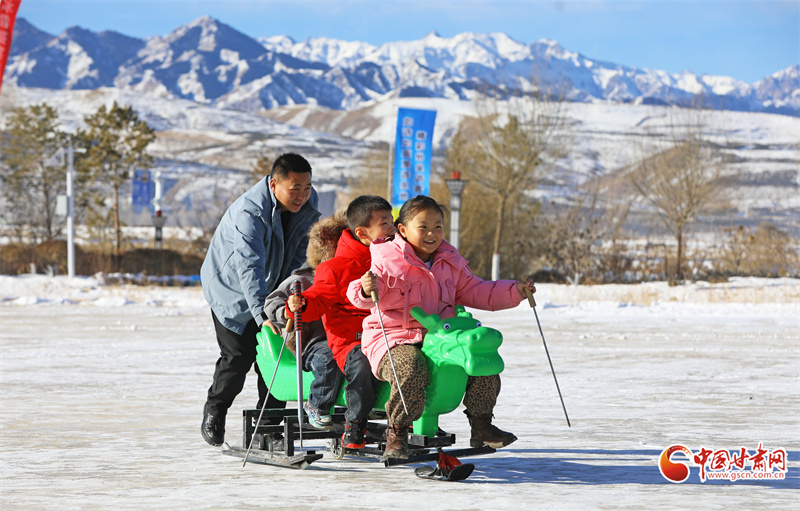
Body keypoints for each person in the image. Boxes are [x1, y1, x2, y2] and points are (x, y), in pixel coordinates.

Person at [347, 195, 536, 459]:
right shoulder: (386, 258)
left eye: (438, 227)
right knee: (409, 367)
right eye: (422, 226)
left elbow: (478, 290)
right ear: (402, 230)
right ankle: (397, 432)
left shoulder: (449, 260)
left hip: (441, 334)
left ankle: (481, 424)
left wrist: (515, 291)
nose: (431, 233)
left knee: (480, 355)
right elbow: (363, 290)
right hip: (395, 336)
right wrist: (366, 289)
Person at [200, 152, 320, 447]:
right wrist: (262, 315)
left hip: (271, 289)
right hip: (231, 291)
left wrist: (285, 297)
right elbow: (248, 267)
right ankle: (215, 411)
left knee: (277, 359)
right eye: (295, 189)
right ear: (274, 184)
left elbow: (298, 256)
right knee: (238, 358)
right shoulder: (249, 213)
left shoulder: (307, 203)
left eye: (307, 188)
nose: (302, 196)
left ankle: (266, 430)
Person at [286, 195, 394, 450]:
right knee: (361, 360)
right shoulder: (335, 268)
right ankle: (355, 424)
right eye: (384, 223)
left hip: (388, 333)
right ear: (362, 233)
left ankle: (408, 416)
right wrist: (301, 305)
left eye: (392, 221)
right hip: (351, 340)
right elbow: (318, 296)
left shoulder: (394, 259)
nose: (391, 228)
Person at [262, 213, 347, 429]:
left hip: (347, 337)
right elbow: (272, 303)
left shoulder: (354, 277)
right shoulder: (302, 279)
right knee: (328, 358)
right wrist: (286, 310)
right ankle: (317, 405)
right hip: (313, 341)